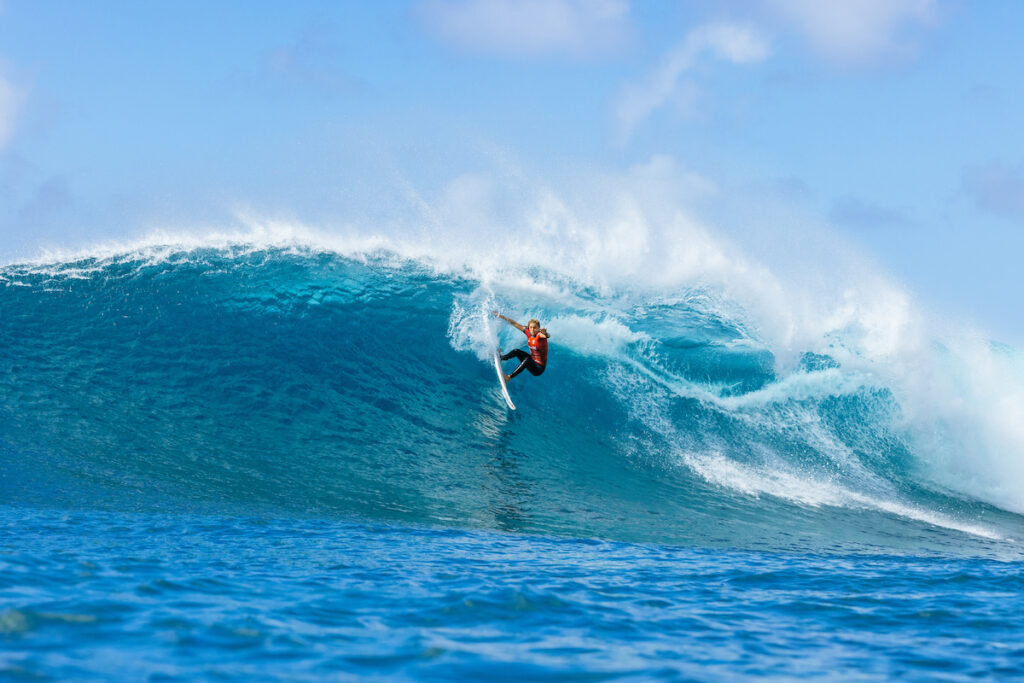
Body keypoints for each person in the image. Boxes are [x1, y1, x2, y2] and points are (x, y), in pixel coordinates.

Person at [492, 311, 550, 382]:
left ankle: (509, 377)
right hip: (532, 360)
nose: (532, 329)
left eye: (535, 328)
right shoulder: (528, 332)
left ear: (538, 328)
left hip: (538, 368)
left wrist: (545, 333)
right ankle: (502, 358)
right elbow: (514, 323)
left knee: (526, 360)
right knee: (516, 351)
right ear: (528, 327)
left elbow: (547, 336)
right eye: (531, 327)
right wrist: (500, 316)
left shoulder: (540, 336)